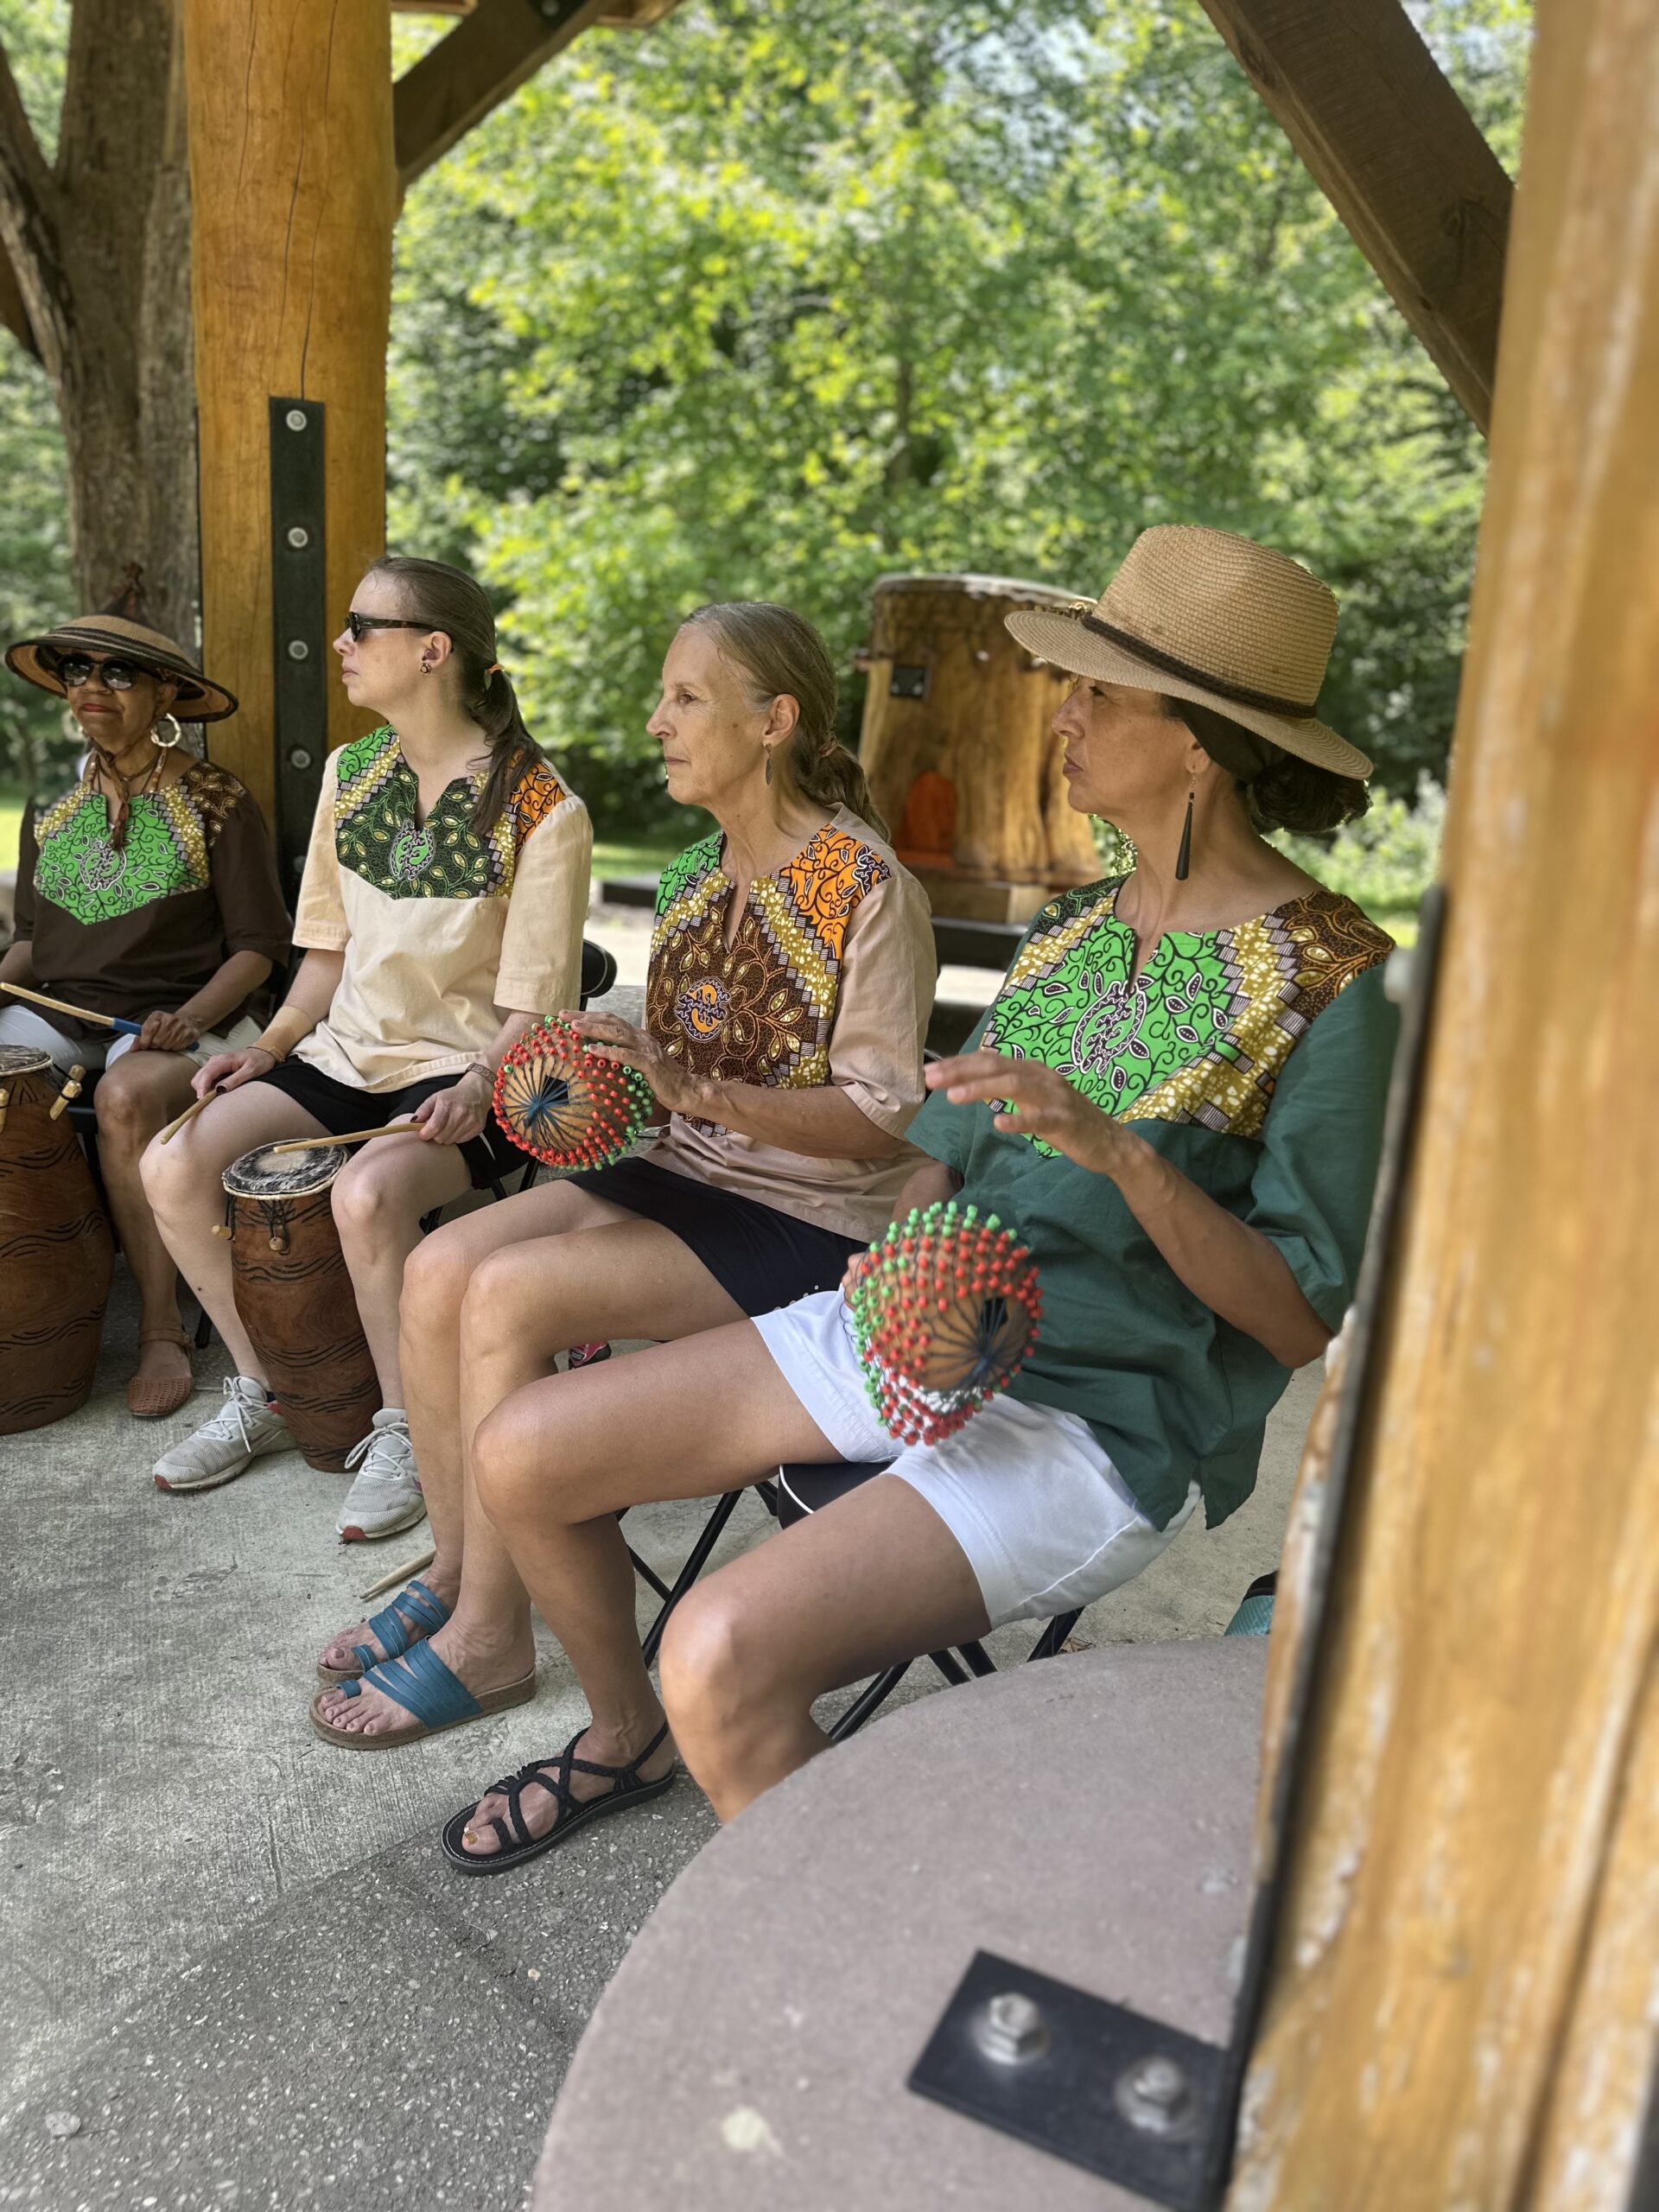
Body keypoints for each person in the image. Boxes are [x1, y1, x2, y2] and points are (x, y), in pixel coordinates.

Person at [420, 525, 1404, 1870]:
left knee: (718, 1652)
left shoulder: (1339, 984)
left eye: (1101, 694)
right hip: (922, 1326)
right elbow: (938, 1155)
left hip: (1094, 1419)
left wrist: (1122, 1155)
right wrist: (897, 1262)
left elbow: (1295, 1322)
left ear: (1202, 746)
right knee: (523, 1453)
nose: (1066, 716)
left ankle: (868, 1947)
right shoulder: (1073, 931)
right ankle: (624, 1735)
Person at [308, 600, 936, 1746]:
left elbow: (882, 1117)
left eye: (686, 698)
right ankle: (458, 1566)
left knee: (509, 1292)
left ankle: (492, 1638)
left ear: (773, 722)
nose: (657, 722)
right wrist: (589, 1067)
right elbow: (687, 1059)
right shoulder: (695, 874)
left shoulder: (870, 886)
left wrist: (695, 1092)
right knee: (440, 1269)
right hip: (683, 1171)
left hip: (809, 1212)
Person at [142, 556, 590, 1535]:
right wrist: (270, 1048)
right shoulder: (351, 774)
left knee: (368, 1194)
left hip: (471, 1079)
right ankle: (266, 1392)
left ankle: (406, 1430)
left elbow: (536, 1011)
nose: (341, 644)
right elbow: (324, 956)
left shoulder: (542, 807)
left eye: (362, 626)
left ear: (433, 651)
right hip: (341, 1060)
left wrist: (479, 1084)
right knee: (172, 1162)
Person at [2, 600, 289, 1417]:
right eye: (77, 670)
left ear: (166, 694)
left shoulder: (217, 801)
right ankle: (30, 1298)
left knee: (126, 1098)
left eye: (119, 672)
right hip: (61, 1015)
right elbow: (31, 944)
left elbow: (259, 948)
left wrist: (191, 1017)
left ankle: (160, 1328)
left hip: (180, 1021)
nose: (93, 686)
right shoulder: (52, 808)